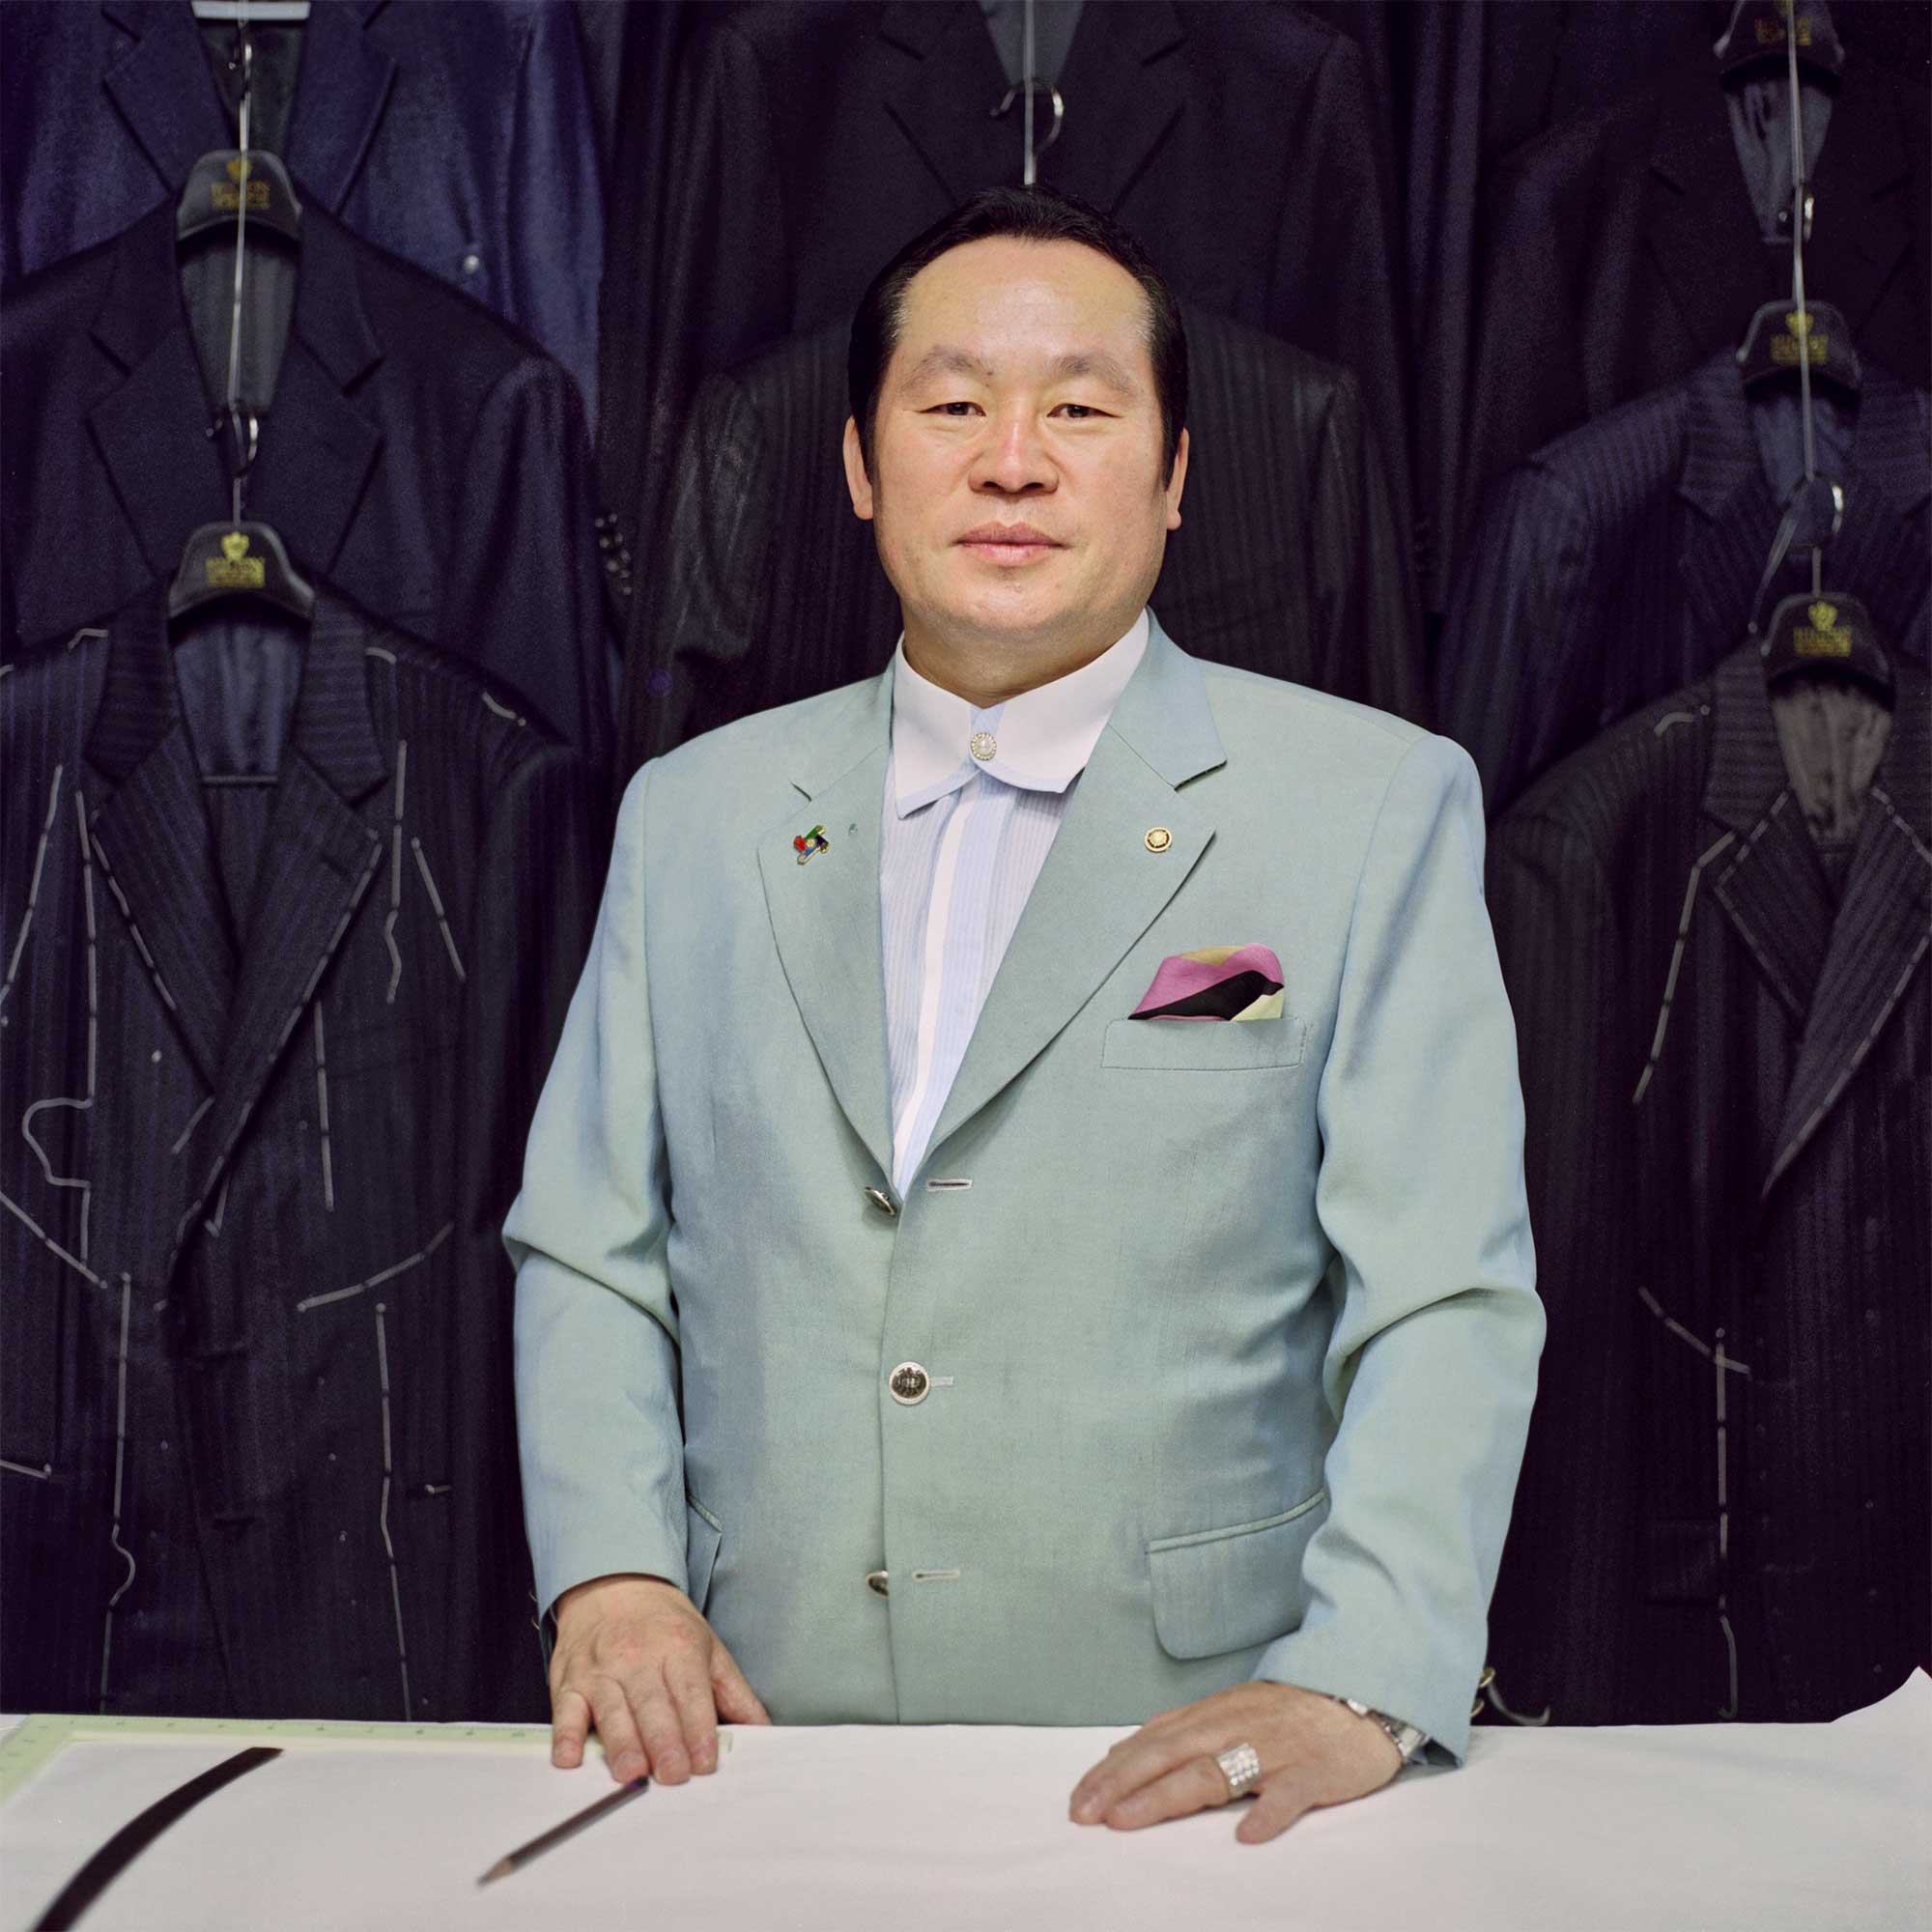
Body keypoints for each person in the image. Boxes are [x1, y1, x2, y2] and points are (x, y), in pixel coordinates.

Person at [505, 185, 1543, 1846]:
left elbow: (1443, 1293)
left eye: (1079, 409)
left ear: (1177, 473)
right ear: (861, 464)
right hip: (750, 1755)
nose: (1012, 462)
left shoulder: (1368, 809)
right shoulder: (696, 817)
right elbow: (590, 1244)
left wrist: (1365, 1676)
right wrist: (614, 1575)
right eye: (951, 406)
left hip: (1192, 1774)